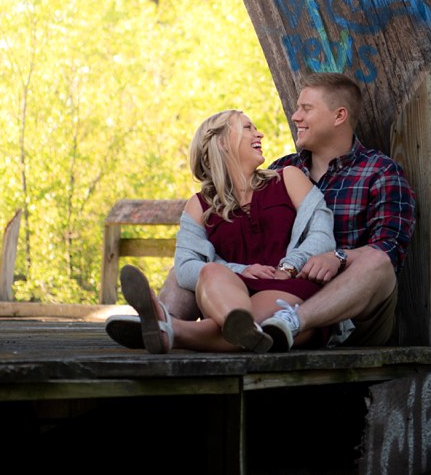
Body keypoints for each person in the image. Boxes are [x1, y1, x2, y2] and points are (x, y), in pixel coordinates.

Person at [155, 72, 416, 352]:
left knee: (376, 262)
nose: (295, 117)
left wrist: (337, 257)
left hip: (347, 305)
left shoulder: (380, 171)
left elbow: (390, 250)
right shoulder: (282, 169)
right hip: (276, 288)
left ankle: (178, 330)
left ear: (339, 116)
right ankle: (158, 323)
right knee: (190, 267)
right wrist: (239, 269)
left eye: (306, 108)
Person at [106, 108, 336, 353]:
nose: (260, 135)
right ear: (223, 142)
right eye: (248, 128)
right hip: (227, 294)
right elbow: (185, 267)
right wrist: (242, 270)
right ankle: (229, 326)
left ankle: (168, 327)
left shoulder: (288, 178)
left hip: (288, 287)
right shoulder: (199, 205)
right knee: (211, 271)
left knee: (264, 319)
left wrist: (289, 266)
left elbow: (322, 235)